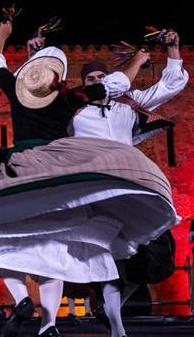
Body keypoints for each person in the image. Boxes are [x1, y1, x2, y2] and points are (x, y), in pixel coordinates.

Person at [0, 20, 178, 337]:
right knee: (56, 243)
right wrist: (137, 61)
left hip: (20, 165)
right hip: (56, 167)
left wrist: (2, 35)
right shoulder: (69, 98)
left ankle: (22, 300)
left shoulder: (16, 88)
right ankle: (49, 323)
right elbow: (116, 84)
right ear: (58, 77)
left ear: (29, 74)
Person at [71, 30, 187, 337]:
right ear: (84, 84)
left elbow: (171, 85)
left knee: (150, 251)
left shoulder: (127, 104)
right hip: (96, 188)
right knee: (109, 256)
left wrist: (173, 50)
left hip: (130, 183)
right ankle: (117, 330)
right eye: (90, 78)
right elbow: (37, 95)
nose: (97, 81)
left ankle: (113, 311)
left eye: (100, 76)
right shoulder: (76, 111)